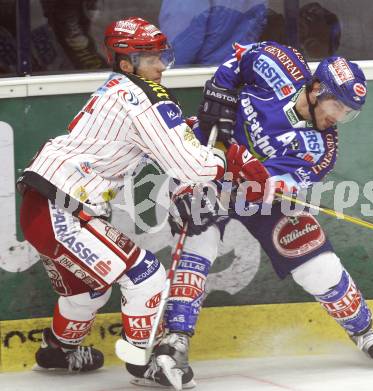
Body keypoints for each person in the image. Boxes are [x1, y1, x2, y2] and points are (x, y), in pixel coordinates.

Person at [16, 16, 253, 381]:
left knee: (89, 289)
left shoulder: (118, 88)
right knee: (146, 275)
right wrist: (222, 151)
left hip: (43, 203)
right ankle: (144, 363)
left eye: (163, 56)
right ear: (127, 63)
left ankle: (59, 351)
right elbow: (196, 169)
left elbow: (152, 142)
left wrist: (186, 133)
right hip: (61, 208)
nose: (161, 66)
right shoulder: (146, 97)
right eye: (152, 58)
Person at [141, 42, 373, 389]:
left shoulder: (320, 149)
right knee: (199, 240)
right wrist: (221, 88)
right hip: (202, 164)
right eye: (337, 106)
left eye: (348, 113)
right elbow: (240, 58)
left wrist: (259, 177)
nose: (338, 118)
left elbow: (274, 183)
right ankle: (173, 341)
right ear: (317, 89)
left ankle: (361, 328)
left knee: (316, 262)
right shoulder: (280, 63)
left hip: (251, 191)